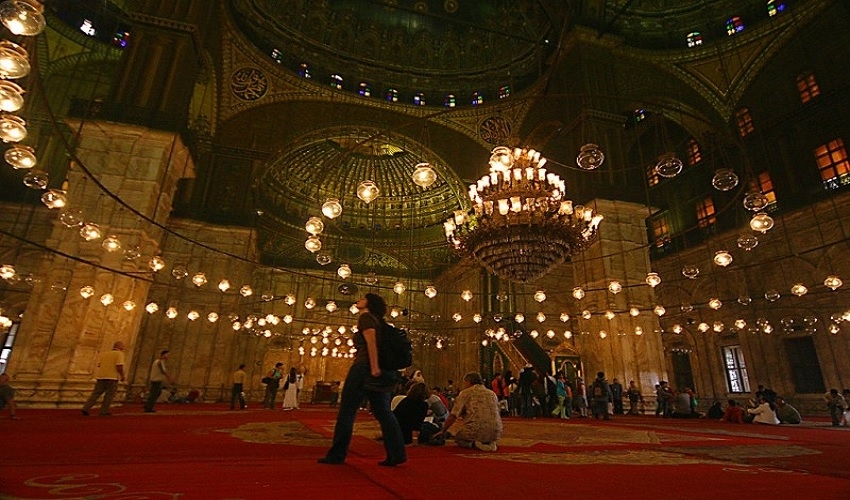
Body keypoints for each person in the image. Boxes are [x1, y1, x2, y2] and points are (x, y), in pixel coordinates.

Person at [319, 293, 406, 467]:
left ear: (369, 303)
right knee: (384, 413)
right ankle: (397, 454)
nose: (358, 300)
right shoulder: (380, 322)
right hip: (379, 371)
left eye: (363, 298)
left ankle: (337, 454)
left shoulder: (366, 318)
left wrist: (374, 367)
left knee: (347, 413)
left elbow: (371, 343)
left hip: (363, 369)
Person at [433, 371, 502, 451]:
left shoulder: (465, 393)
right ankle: (489, 442)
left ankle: (474, 444)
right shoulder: (492, 393)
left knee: (459, 437)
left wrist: (443, 430)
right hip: (496, 432)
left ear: (468, 382)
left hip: (475, 431)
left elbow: (453, 416)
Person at [82, 340, 125, 416]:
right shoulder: (119, 354)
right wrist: (122, 375)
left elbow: (99, 365)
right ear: (119, 347)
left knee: (96, 393)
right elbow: (119, 366)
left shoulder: (105, 354)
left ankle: (86, 407)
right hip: (112, 377)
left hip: (101, 376)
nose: (123, 348)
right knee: (109, 395)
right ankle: (103, 411)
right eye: (122, 346)